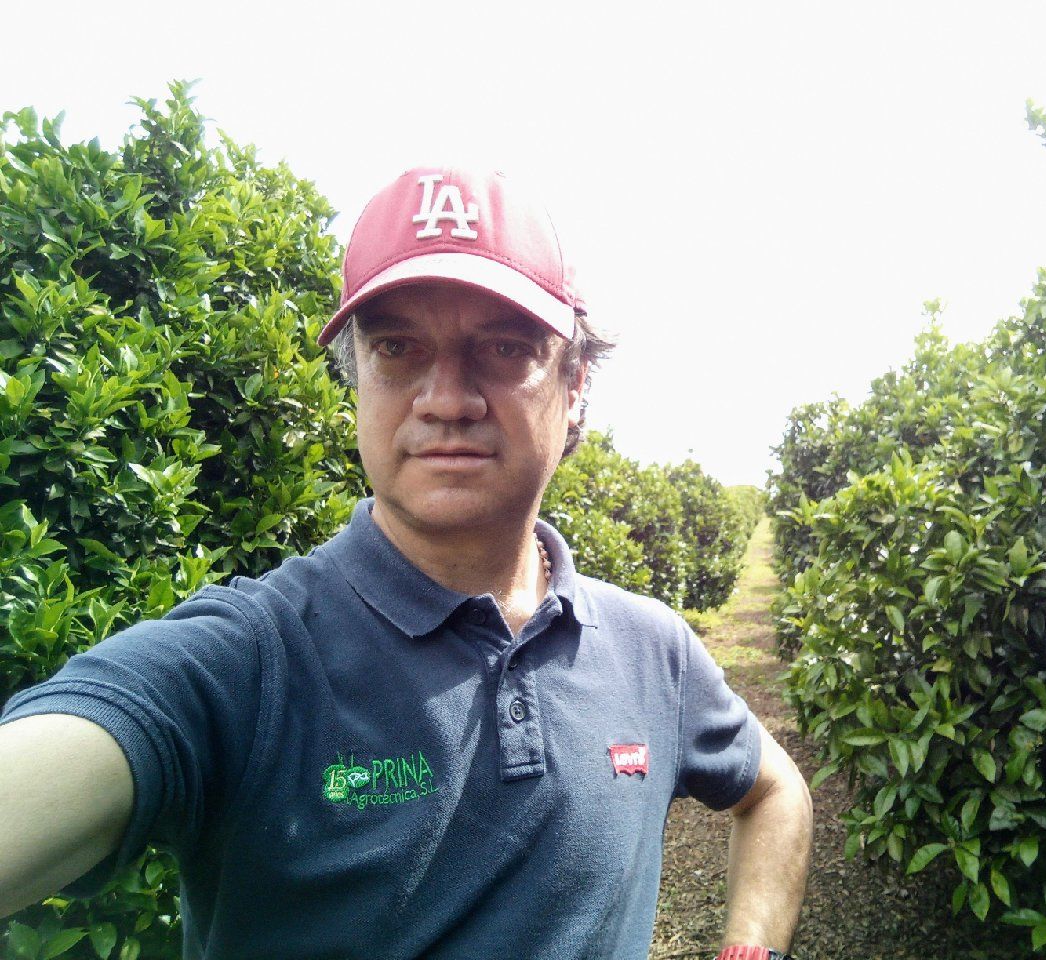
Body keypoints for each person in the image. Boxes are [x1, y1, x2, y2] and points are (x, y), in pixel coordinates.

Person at [0, 165, 812, 959]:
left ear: (575, 386)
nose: (447, 398)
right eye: (397, 347)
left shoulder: (652, 650)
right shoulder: (249, 661)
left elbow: (775, 790)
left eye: (504, 347)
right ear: (357, 382)